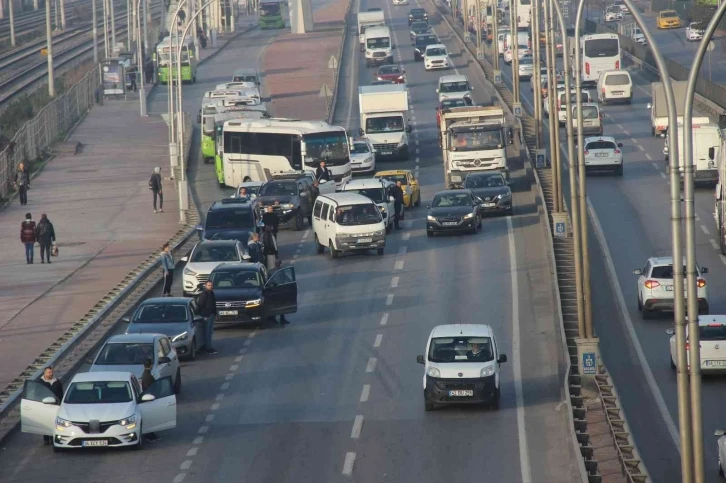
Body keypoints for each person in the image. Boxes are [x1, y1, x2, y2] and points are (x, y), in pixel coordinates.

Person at [38, 366, 63, 445]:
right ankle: (46, 439)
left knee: (54, 423)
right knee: (45, 423)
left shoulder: (57, 382)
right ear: (45, 373)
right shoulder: (40, 382)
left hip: (55, 406)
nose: (51, 374)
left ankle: (53, 438)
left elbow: (61, 393)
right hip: (44, 406)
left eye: (52, 372)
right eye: (49, 372)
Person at [140, 358, 160, 442]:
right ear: (151, 365)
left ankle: (151, 434)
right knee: (150, 418)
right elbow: (154, 386)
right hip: (149, 399)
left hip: (147, 398)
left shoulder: (145, 374)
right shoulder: (148, 376)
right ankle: (149, 435)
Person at [196, 281, 219, 354]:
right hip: (207, 316)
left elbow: (213, 304)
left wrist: (215, 314)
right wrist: (204, 315)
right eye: (209, 285)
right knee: (207, 332)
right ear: (206, 286)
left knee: (210, 332)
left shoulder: (212, 293)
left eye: (211, 285)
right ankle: (208, 348)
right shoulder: (204, 294)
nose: (210, 287)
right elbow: (200, 306)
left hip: (212, 315)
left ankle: (208, 346)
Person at [268, 259, 289, 325]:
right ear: (279, 264)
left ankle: (275, 319)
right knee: (280, 305)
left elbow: (268, 281)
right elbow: (285, 278)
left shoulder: (270, 271)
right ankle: (280, 319)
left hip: (273, 291)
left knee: (276, 305)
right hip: (279, 290)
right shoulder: (280, 271)